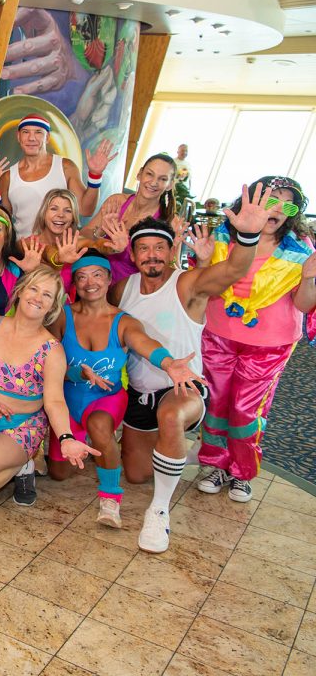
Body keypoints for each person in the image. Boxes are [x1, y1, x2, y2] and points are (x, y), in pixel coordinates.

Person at [112, 185, 272, 554]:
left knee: (171, 416)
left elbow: (233, 269)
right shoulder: (122, 290)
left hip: (184, 389)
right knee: (136, 475)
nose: (152, 254)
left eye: (159, 247)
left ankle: (159, 511)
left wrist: (248, 235)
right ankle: (168, 449)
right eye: (143, 248)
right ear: (132, 254)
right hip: (140, 392)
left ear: (172, 251)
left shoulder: (187, 283)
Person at [49, 251, 204, 528]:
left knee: (99, 426)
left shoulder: (124, 321)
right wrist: (76, 373)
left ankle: (110, 497)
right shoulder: (62, 316)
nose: (90, 283)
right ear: (75, 283)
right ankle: (95, 445)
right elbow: (45, 359)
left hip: (106, 398)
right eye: (82, 277)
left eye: (97, 275)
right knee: (59, 473)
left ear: (110, 279)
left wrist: (168, 363)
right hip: (67, 400)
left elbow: (144, 343)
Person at [195, 176, 316, 502]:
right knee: (216, 403)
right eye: (271, 200)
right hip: (219, 334)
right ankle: (215, 465)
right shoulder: (225, 236)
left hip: (269, 344)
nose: (277, 209)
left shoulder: (299, 251)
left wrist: (309, 278)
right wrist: (203, 260)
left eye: (288, 205)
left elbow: (304, 305)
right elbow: (205, 282)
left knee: (246, 410)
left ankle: (241, 471)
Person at [0, 266, 100, 509]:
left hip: (19, 427)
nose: (38, 298)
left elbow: (55, 401)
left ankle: (22, 463)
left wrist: (66, 437)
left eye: (47, 295)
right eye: (34, 289)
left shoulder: (52, 349)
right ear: (20, 291)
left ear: (53, 306)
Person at [0, 114, 114, 239]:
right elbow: (3, 220)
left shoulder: (65, 167)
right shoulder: (8, 177)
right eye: (26, 132)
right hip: (24, 249)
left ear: (48, 137)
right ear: (18, 137)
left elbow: (86, 210)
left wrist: (95, 175)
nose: (31, 138)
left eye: (38, 132)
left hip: (61, 249)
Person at [80, 153, 178, 283]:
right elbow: (83, 235)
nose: (154, 182)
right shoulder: (117, 201)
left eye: (163, 179)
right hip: (95, 282)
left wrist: (171, 254)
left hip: (129, 289)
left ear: (170, 185)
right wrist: (101, 230)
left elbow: (172, 272)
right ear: (139, 174)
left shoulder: (170, 221)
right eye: (150, 174)